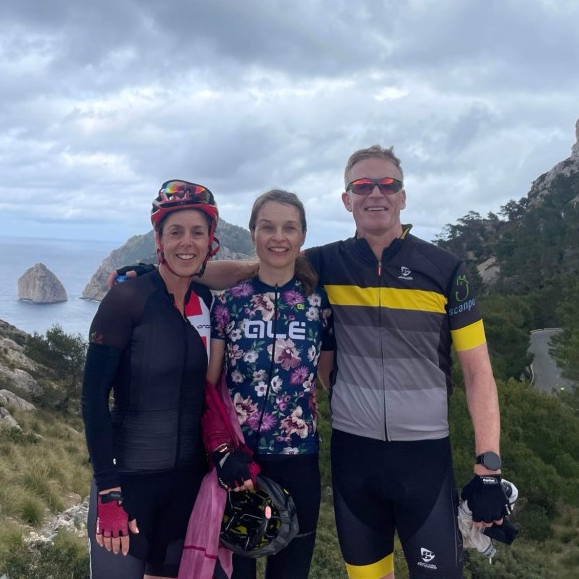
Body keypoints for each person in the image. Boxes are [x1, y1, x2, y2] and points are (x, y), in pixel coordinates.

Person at [199, 146, 506, 579]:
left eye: (388, 184)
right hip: (353, 456)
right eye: (362, 185)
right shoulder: (327, 263)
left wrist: (488, 468)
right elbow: (256, 268)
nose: (375, 193)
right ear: (347, 199)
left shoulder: (444, 269)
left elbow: (478, 374)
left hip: (424, 458)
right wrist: (166, 272)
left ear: (403, 196)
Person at [81, 179, 220, 579]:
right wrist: (109, 491)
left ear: (210, 241)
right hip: (128, 485)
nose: (186, 243)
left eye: (197, 233)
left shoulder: (206, 302)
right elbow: (93, 399)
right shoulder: (126, 299)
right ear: (159, 240)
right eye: (175, 232)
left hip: (187, 489)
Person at [206, 190, 334, 579]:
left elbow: (331, 378)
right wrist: (221, 452)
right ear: (253, 234)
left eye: (289, 228)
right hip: (237, 461)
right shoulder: (230, 302)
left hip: (299, 459)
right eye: (268, 227)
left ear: (302, 236)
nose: (278, 237)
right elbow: (210, 385)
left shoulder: (319, 304)